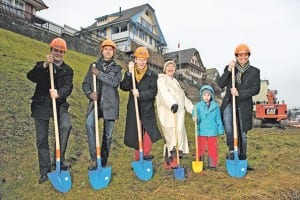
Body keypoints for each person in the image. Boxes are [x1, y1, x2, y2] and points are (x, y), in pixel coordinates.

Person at [27, 38, 73, 184]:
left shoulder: (68, 70)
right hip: (41, 104)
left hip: (59, 105)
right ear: (51, 50)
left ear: (64, 53)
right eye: (55, 50)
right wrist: (46, 65)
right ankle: (45, 171)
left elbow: (68, 88)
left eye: (61, 51)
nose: (58, 53)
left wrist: (58, 93)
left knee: (66, 126)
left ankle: (58, 161)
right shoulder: (43, 66)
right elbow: (31, 76)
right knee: (42, 139)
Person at [217, 44, 260, 171]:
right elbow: (220, 83)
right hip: (229, 103)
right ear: (236, 56)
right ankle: (232, 152)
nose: (243, 57)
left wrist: (240, 93)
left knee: (242, 133)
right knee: (229, 128)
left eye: (245, 55)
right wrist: (229, 70)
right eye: (240, 55)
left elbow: (255, 89)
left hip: (244, 104)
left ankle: (242, 159)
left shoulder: (255, 71)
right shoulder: (230, 68)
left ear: (248, 56)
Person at [82, 39, 122, 170]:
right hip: (96, 103)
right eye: (106, 49)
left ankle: (103, 161)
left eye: (111, 49)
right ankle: (94, 158)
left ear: (113, 52)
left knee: (108, 135)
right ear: (102, 51)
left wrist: (99, 74)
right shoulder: (93, 66)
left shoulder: (117, 68)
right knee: (89, 124)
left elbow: (115, 83)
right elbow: (86, 83)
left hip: (110, 104)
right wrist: (89, 93)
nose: (108, 51)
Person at [120, 46, 161, 161]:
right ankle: (138, 158)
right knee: (136, 133)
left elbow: (154, 91)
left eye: (144, 59)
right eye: (139, 59)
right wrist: (128, 73)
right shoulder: (131, 72)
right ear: (135, 59)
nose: (142, 62)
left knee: (148, 132)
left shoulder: (152, 74)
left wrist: (141, 94)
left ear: (146, 60)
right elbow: (123, 87)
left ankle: (146, 154)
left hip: (147, 108)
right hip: (134, 108)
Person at [155, 60, 194, 169]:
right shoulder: (162, 80)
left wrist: (193, 109)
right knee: (171, 135)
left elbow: (183, 98)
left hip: (179, 114)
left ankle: (175, 161)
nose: (171, 68)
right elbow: (164, 93)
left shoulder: (176, 82)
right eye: (168, 66)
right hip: (169, 112)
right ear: (165, 69)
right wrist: (172, 103)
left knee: (178, 135)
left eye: (173, 66)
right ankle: (169, 161)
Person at [192, 85, 224, 169]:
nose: (206, 97)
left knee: (212, 147)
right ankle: (200, 163)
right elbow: (195, 115)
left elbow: (218, 119)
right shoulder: (197, 106)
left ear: (211, 96)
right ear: (201, 96)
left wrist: (220, 129)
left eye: (208, 95)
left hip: (212, 131)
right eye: (204, 95)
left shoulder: (215, 106)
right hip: (201, 130)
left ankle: (212, 164)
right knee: (200, 147)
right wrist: (195, 118)